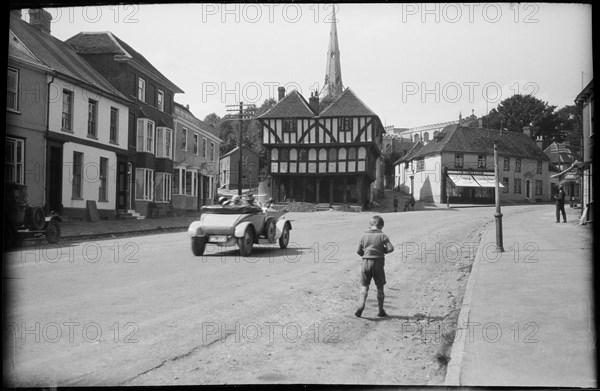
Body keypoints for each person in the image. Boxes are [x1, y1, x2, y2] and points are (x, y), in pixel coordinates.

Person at [355, 215, 395, 318]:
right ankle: (381, 310)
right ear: (381, 226)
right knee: (380, 288)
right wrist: (383, 251)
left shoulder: (363, 236)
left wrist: (365, 255)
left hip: (366, 262)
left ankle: (360, 306)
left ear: (370, 225)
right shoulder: (383, 236)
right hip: (378, 263)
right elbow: (391, 248)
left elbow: (358, 251)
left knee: (364, 287)